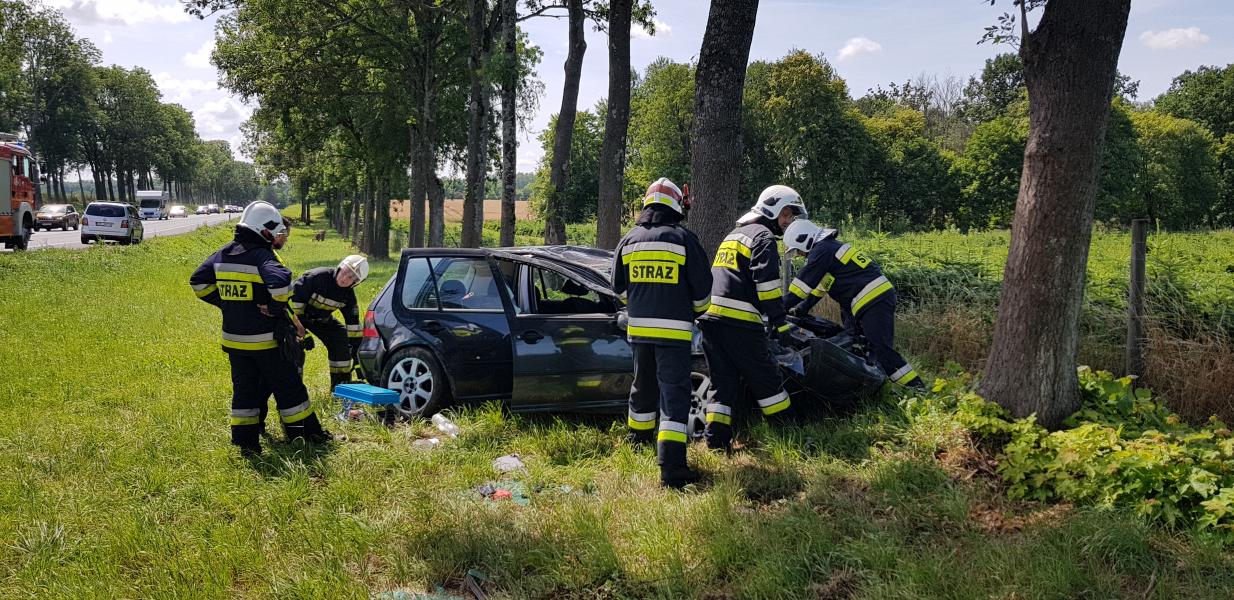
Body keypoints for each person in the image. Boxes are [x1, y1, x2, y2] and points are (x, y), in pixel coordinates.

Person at [189, 201, 333, 456]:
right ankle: (304, 435)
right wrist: (274, 307)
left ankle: (246, 443)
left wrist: (227, 304)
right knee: (289, 386)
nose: (278, 237)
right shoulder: (261, 256)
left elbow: (199, 283)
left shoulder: (222, 254)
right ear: (263, 230)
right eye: (275, 232)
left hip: (235, 342)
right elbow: (281, 285)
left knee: (245, 391)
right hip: (266, 342)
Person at [611, 178, 712, 489]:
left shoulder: (628, 240)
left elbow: (619, 290)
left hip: (639, 334)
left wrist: (641, 306)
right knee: (674, 396)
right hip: (675, 335)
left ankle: (637, 443)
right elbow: (703, 294)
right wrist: (691, 311)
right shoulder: (684, 239)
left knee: (642, 388)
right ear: (675, 205)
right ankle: (672, 470)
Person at [697, 185, 807, 451]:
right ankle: (792, 438)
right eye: (787, 215)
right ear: (773, 209)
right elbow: (766, 287)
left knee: (722, 384)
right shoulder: (763, 238)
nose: (788, 222)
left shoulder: (736, 234)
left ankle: (716, 442)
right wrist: (780, 322)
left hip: (711, 321)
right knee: (767, 379)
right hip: (740, 324)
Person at [782, 219, 925, 390]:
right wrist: (801, 309)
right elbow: (821, 287)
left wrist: (779, 307)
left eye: (797, 250)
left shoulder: (821, 251)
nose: (798, 254)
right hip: (867, 300)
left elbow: (801, 288)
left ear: (803, 239)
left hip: (873, 300)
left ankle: (916, 389)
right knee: (854, 341)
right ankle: (868, 385)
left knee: (881, 349)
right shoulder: (829, 248)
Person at [289, 254, 369, 390]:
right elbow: (291, 309)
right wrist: (303, 333)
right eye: (345, 272)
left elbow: (353, 327)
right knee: (294, 347)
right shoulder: (315, 277)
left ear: (355, 283)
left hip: (321, 320)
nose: (344, 279)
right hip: (294, 318)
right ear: (339, 267)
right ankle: (294, 390)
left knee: (340, 337)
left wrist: (357, 358)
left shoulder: (348, 295)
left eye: (350, 278)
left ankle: (340, 388)